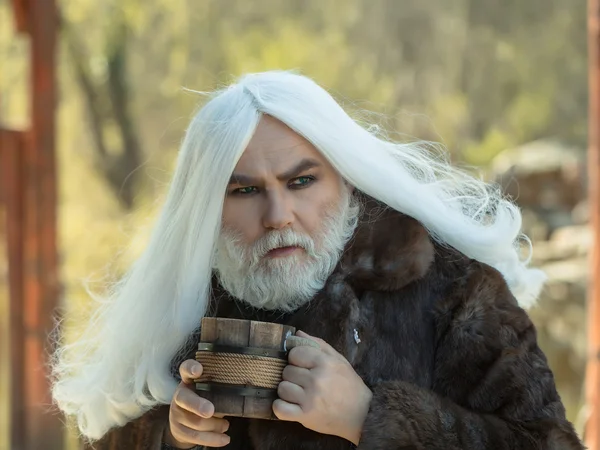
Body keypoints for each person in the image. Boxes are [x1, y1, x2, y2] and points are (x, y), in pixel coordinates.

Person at [51, 70, 584, 449]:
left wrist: (370, 419)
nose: (278, 214)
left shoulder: (453, 292)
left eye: (301, 181)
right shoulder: (182, 307)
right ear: (207, 209)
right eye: (243, 191)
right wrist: (171, 435)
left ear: (347, 182)